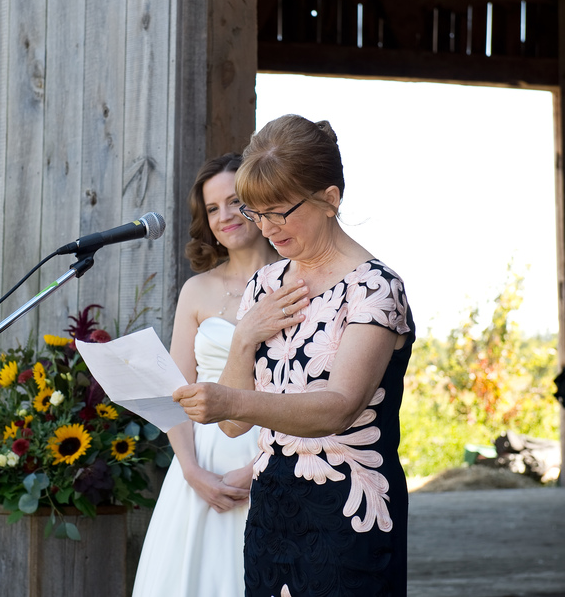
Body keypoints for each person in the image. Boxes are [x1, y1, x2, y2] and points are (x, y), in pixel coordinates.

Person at [173, 115, 416, 597]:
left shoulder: (375, 287)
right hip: (271, 510)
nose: (267, 228)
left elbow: (338, 407)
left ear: (330, 199)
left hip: (350, 511)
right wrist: (243, 339)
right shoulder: (264, 284)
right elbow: (233, 427)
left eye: (279, 212)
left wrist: (230, 400)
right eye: (256, 213)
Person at [132, 153, 280, 597]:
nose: (224, 216)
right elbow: (175, 389)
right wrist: (192, 470)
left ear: (260, 202)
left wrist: (258, 470)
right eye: (212, 209)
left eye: (234, 202)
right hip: (200, 466)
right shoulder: (196, 290)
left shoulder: (296, 282)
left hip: (274, 455)